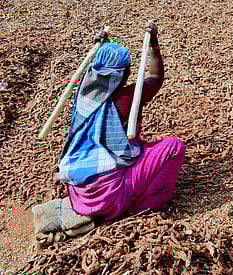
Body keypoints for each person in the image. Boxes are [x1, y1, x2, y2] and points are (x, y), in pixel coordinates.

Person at [32, 21, 185, 239]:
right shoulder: (126, 99)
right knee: (173, 146)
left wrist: (100, 44)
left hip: (81, 193)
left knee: (135, 146)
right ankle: (145, 204)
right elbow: (156, 78)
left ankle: (109, 196)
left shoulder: (84, 95)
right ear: (124, 74)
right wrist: (154, 44)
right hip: (109, 195)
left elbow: (92, 70)